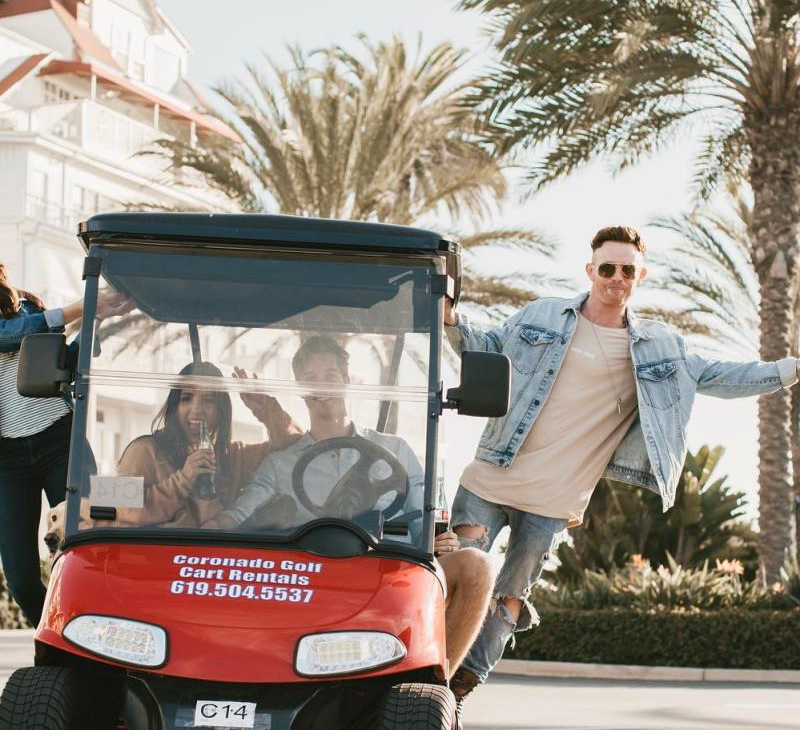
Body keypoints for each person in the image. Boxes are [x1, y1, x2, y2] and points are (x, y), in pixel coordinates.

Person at [443, 225, 800, 707]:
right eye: (607, 267)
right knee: (451, 574)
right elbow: (485, 344)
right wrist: (449, 320)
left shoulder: (659, 349)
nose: (616, 277)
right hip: (490, 478)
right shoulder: (543, 314)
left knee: (509, 598)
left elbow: (721, 376)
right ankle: (429, 675)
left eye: (626, 269)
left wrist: (788, 369)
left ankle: (459, 688)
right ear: (590, 270)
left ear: (639, 276)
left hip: (554, 500)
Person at [209, 335, 494, 674]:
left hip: (391, 577)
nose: (322, 386)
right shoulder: (280, 464)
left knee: (477, 565)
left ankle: (438, 689)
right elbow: (238, 515)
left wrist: (437, 542)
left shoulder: (396, 450)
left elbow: (423, 519)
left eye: (330, 375)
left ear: (347, 380)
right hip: (313, 580)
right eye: (311, 379)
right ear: (300, 387)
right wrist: (203, 526)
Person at [0, 264, 126, 625]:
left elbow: (71, 358)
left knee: (88, 550)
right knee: (22, 579)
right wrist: (85, 305)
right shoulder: (29, 322)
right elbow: (10, 334)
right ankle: (60, 638)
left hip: (60, 439)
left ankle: (95, 647)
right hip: (7, 459)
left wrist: (97, 319)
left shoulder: (30, 309)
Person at [116, 362, 303, 528]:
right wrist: (182, 481)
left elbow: (294, 445)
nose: (197, 410)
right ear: (174, 405)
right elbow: (112, 508)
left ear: (220, 410)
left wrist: (266, 408)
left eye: (208, 400)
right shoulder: (143, 450)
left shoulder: (234, 456)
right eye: (186, 398)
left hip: (216, 564)